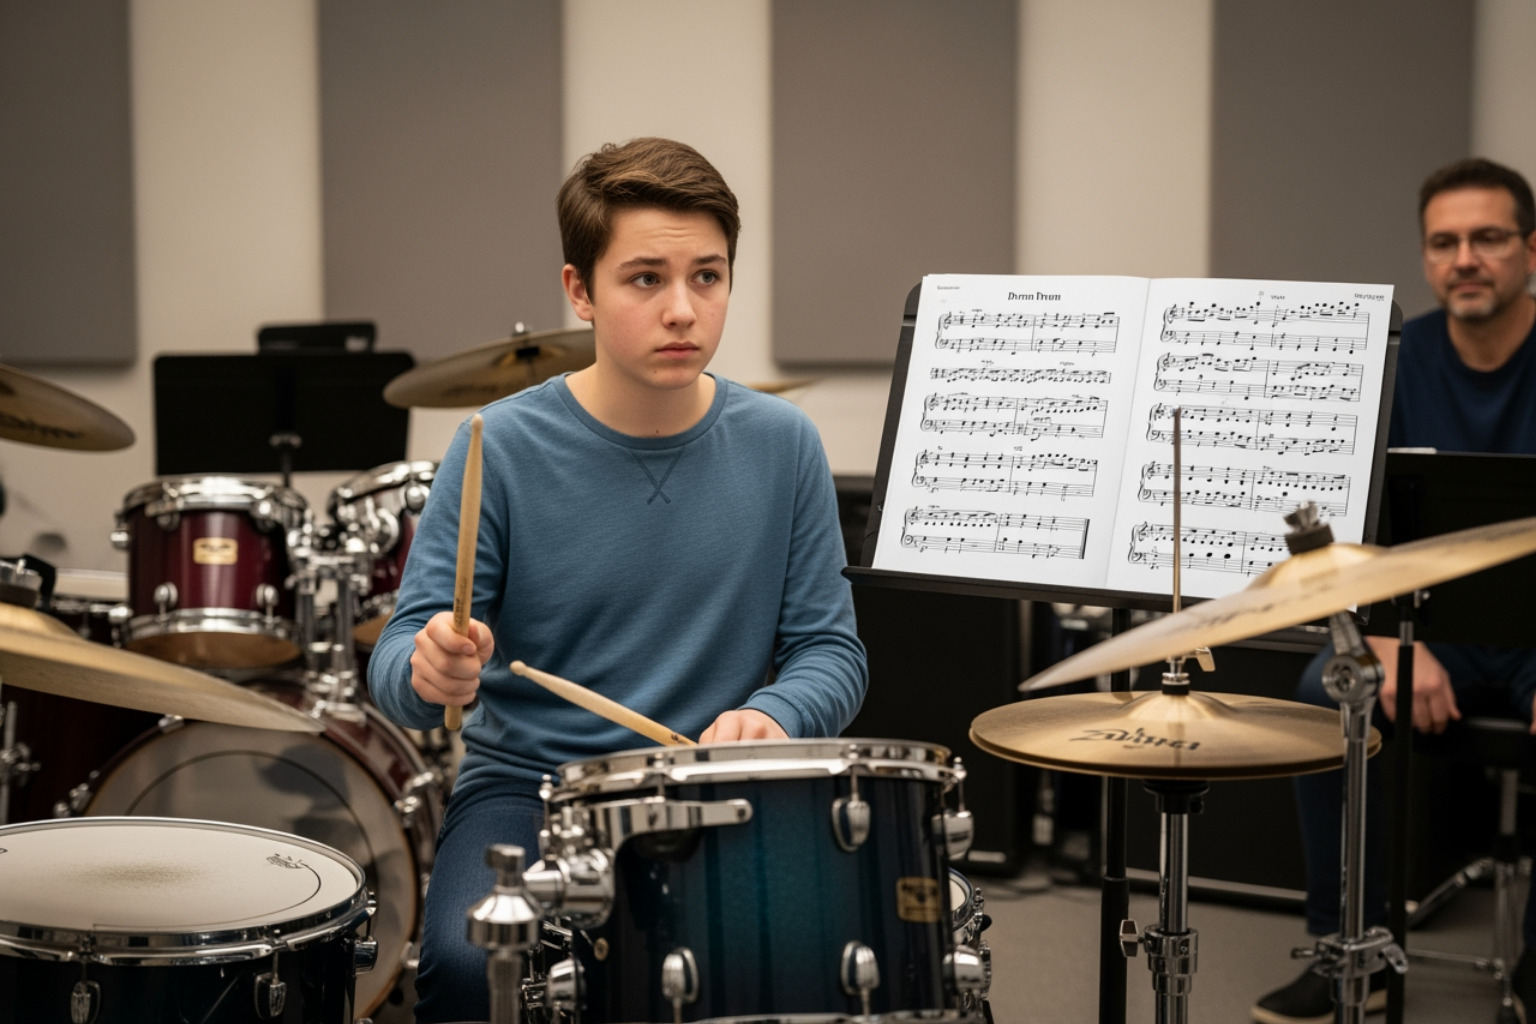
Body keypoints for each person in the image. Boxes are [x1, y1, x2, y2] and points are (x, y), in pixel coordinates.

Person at [368, 137, 869, 1023]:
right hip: (533, 789)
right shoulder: (498, 445)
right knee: (460, 963)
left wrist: (779, 713)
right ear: (579, 291)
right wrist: (426, 669)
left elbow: (831, 651)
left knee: (832, 966)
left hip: (723, 791)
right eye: (646, 279)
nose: (683, 309)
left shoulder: (783, 444)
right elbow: (398, 662)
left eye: (707, 277)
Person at [1253, 156, 1536, 1024]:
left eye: (1487, 238)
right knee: (1324, 692)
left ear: (1531, 249)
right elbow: (1347, 539)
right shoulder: (1391, 368)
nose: (1464, 259)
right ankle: (1350, 952)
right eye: (1444, 242)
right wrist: (1377, 639)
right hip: (1427, 628)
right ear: (1424, 258)